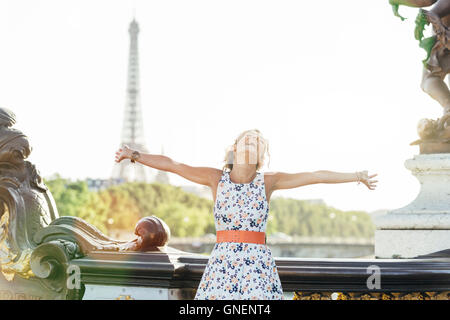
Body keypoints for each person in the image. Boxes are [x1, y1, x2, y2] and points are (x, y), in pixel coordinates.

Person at [114, 129, 378, 300]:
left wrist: (356, 176)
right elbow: (173, 165)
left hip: (257, 265)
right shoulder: (215, 178)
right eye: (247, 139)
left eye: (258, 142)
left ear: (262, 155)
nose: (253, 142)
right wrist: (134, 155)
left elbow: (316, 176)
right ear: (235, 148)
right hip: (222, 263)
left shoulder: (269, 182)